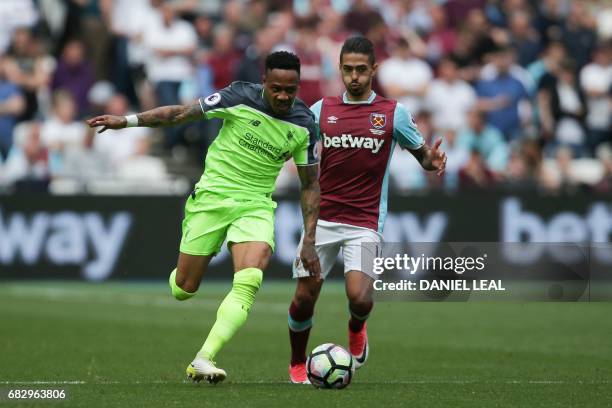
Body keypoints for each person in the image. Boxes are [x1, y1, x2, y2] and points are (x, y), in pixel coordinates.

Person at [87, 51, 322, 384]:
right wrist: (127, 121)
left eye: (291, 90)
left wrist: (309, 239)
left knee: (250, 279)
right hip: (211, 198)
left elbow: (311, 185)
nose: (284, 96)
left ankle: (203, 357)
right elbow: (181, 113)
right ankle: (183, 272)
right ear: (264, 82)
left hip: (255, 204)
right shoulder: (239, 95)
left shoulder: (304, 125)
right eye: (277, 89)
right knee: (184, 288)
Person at [287, 37, 447, 384]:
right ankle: (298, 361)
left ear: (374, 69)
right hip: (323, 219)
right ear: (340, 70)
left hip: (365, 221)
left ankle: (356, 327)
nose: (354, 76)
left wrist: (431, 162)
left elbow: (423, 158)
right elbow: (295, 149)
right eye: (348, 69)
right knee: (303, 299)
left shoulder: (393, 113)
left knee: (359, 298)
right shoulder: (320, 111)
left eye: (361, 69)